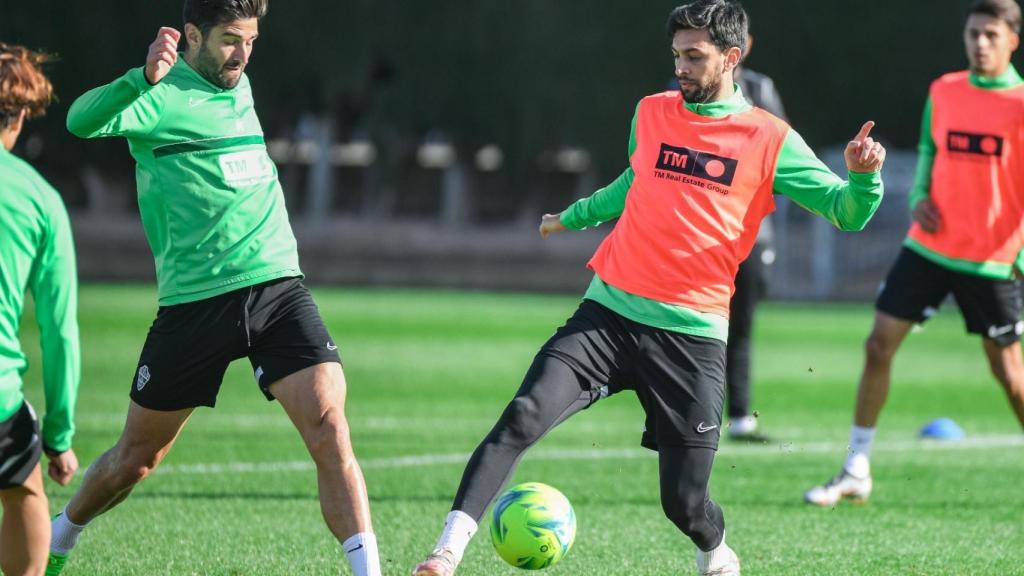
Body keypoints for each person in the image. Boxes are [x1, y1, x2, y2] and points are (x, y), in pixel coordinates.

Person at [411, 1, 885, 575]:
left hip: (692, 338)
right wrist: (575, 215)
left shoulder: (770, 138)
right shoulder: (652, 111)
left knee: (684, 504)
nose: (680, 67)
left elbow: (847, 212)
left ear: (731, 58)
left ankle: (717, 551)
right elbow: (636, 180)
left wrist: (863, 176)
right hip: (607, 315)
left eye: (694, 56)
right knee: (521, 416)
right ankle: (445, 554)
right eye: (676, 55)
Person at [45, 2, 381, 575]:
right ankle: (58, 540)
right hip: (193, 304)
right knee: (136, 460)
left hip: (277, 287)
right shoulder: (155, 95)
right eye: (230, 40)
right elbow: (79, 120)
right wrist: (140, 77)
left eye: (251, 40)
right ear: (192, 36)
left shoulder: (240, 85)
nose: (243, 54)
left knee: (330, 425)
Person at [805, 0, 1024, 508]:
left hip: (992, 259)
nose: (980, 43)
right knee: (878, 344)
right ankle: (856, 467)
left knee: (1011, 378)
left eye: (991, 34)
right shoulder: (944, 90)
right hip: (929, 248)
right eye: (973, 33)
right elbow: (929, 150)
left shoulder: (1019, 103)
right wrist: (917, 197)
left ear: (1012, 40)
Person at [0, 43, 81, 576]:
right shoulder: (39, 200)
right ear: (22, 114)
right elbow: (59, 333)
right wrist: (58, 437)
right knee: (23, 489)